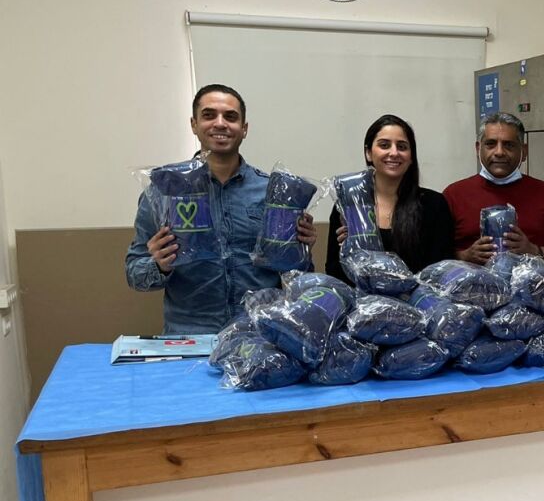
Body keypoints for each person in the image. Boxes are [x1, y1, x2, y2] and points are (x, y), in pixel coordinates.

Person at [125, 84, 317, 334]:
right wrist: (159, 265)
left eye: (230, 117)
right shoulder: (165, 190)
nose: (220, 123)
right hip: (190, 335)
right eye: (209, 115)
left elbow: (298, 279)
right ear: (194, 124)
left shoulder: (274, 192)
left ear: (244, 128)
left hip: (258, 334)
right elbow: (134, 275)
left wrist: (301, 252)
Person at [325, 114, 455, 279]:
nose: (394, 153)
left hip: (418, 295)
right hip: (360, 296)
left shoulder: (434, 204)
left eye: (402, 147)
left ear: (411, 157)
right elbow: (333, 273)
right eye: (384, 145)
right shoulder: (349, 205)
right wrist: (347, 252)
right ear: (368, 153)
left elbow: (441, 271)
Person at [443, 112, 544, 269]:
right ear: (478, 149)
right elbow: (433, 255)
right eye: (491, 144)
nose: (499, 152)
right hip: (468, 284)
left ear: (524, 151)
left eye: (509, 145)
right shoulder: (454, 195)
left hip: (533, 283)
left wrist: (533, 250)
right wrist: (465, 256)